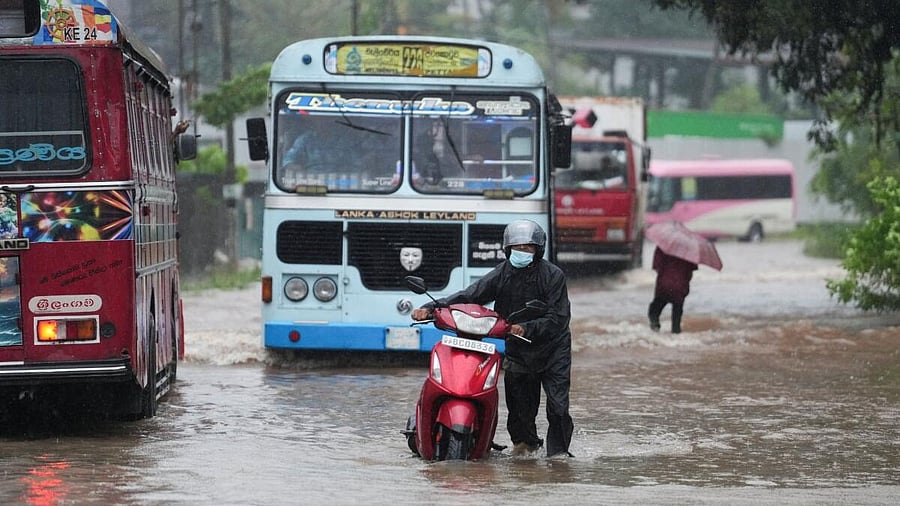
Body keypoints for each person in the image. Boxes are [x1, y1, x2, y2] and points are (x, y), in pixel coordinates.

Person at [411, 219, 574, 458]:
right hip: (518, 349)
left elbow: (558, 318)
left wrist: (526, 328)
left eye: (528, 248)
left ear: (538, 250)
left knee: (558, 408)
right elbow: (471, 294)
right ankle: (526, 449)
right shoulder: (503, 273)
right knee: (519, 410)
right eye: (517, 248)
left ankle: (559, 456)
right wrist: (431, 307)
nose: (522, 253)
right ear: (508, 250)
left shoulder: (553, 276)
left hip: (553, 349)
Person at [648, 246, 698, 334]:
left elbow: (656, 267)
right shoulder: (690, 250)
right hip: (680, 287)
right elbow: (691, 271)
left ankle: (655, 329)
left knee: (653, 311)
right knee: (676, 321)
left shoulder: (662, 247)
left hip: (664, 286)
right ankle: (676, 337)